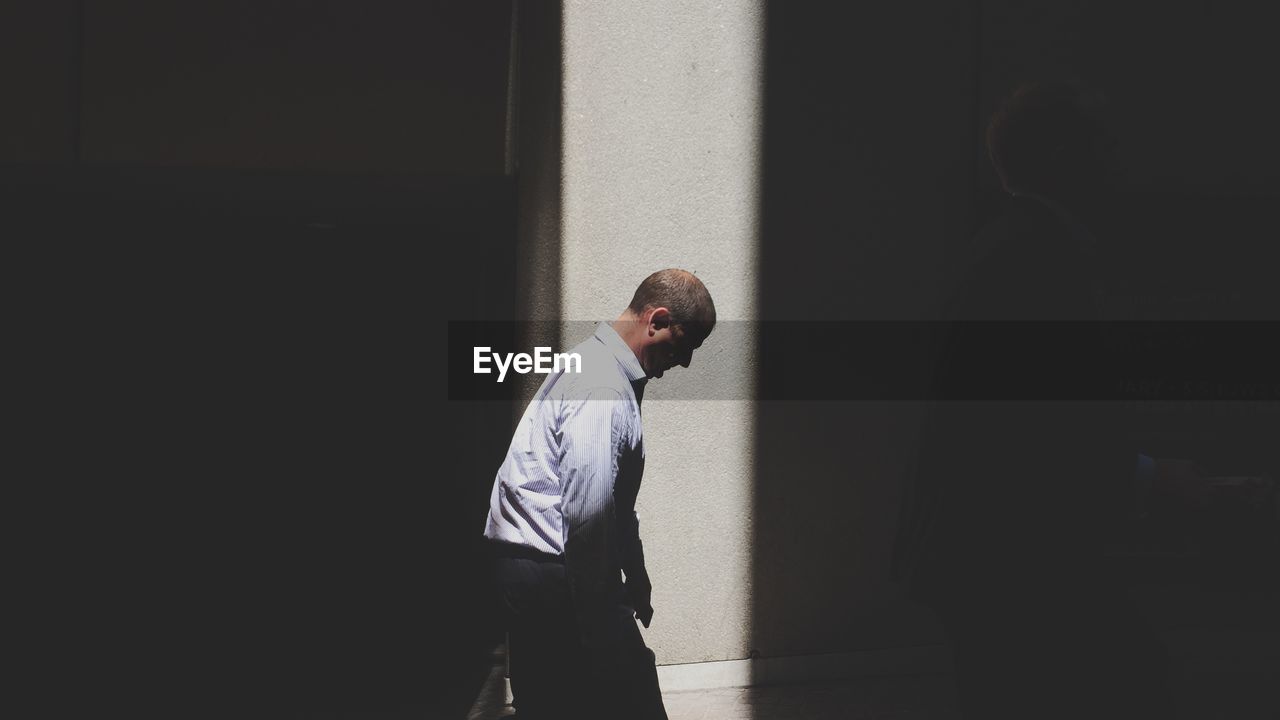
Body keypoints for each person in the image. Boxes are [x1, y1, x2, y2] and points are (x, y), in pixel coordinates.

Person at [892, 80, 1207, 719]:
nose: (1123, 165)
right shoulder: (1035, 261)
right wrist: (1153, 477)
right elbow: (1038, 425)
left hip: (989, 556)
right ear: (1067, 157)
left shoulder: (1006, 250)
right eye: (1106, 148)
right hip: (1012, 559)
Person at [483, 268, 715, 720]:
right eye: (683, 346)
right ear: (657, 319)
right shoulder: (601, 387)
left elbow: (613, 501)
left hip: (545, 572)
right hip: (553, 576)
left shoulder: (603, 370)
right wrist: (603, 630)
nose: (683, 363)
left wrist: (636, 573)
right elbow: (588, 521)